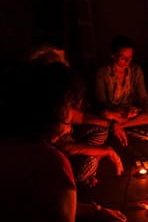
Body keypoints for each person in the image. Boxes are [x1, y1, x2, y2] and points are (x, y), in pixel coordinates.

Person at [1, 62, 140, 222]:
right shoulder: (53, 163)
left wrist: (97, 211)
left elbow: (52, 207)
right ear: (54, 111)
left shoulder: (9, 143)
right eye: (68, 107)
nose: (70, 118)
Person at [28, 44, 125, 189]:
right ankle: (83, 172)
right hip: (54, 161)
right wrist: (105, 151)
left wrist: (112, 124)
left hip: (69, 143)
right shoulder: (38, 106)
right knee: (88, 163)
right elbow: (64, 148)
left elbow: (80, 117)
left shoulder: (60, 96)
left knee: (101, 128)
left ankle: (90, 161)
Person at [95, 34, 148, 140]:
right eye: (123, 58)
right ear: (113, 55)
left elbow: (143, 97)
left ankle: (121, 126)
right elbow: (101, 102)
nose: (127, 61)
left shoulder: (135, 70)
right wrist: (119, 111)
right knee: (105, 114)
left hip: (130, 113)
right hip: (114, 113)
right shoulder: (103, 73)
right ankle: (119, 125)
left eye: (130, 57)